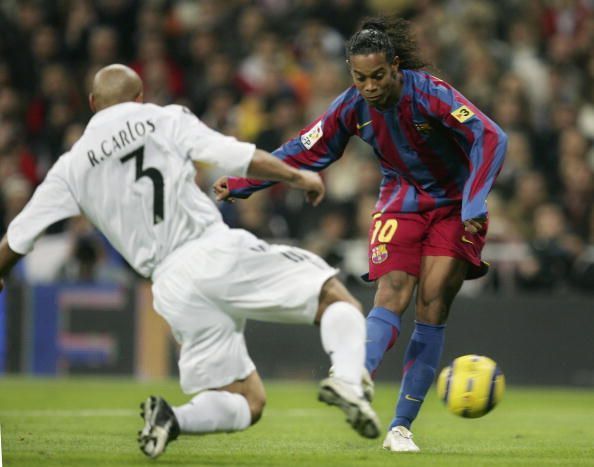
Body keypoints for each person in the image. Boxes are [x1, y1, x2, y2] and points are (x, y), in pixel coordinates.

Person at [0, 64, 381, 459]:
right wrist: (298, 177)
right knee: (334, 298)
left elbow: (18, 236)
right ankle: (350, 382)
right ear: (139, 97)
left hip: (169, 286)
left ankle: (172, 419)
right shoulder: (163, 119)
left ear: (94, 103)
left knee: (246, 400)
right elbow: (237, 155)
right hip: (210, 249)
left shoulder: (71, 166)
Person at [214, 16, 508, 453]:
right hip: (401, 200)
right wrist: (244, 182)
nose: (369, 86)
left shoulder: (431, 93)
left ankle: (400, 428)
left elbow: (490, 136)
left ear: (394, 66)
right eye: (359, 77)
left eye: (376, 76)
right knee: (391, 290)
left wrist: (474, 200)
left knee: (430, 302)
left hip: (454, 206)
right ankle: (353, 379)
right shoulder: (351, 106)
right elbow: (302, 150)